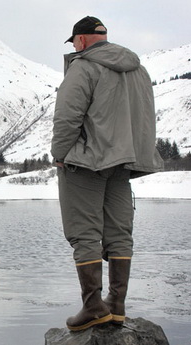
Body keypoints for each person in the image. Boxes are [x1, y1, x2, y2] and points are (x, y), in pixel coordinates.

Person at [51, 16, 163, 331]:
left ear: (82, 40)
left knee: (84, 233)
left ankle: (93, 307)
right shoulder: (138, 70)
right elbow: (144, 118)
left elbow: (67, 116)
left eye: (74, 42)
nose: (73, 47)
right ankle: (117, 305)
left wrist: (60, 155)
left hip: (86, 162)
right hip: (123, 162)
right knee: (119, 233)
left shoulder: (83, 66)